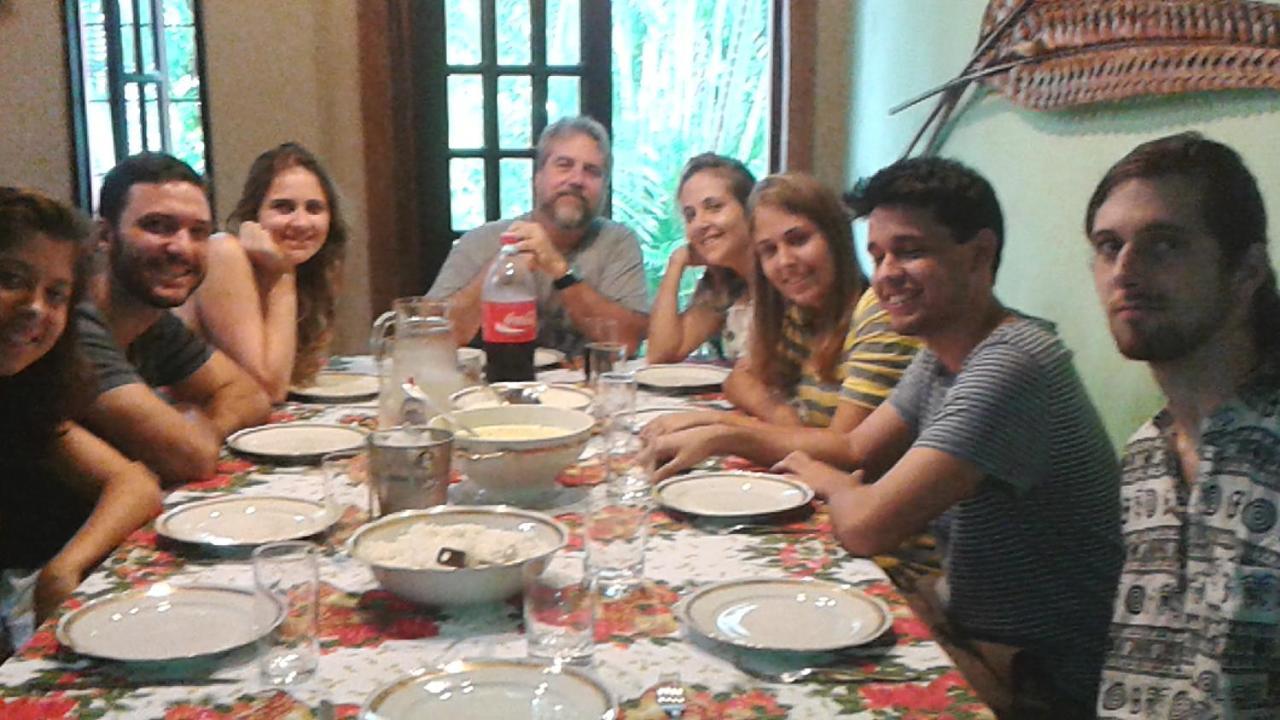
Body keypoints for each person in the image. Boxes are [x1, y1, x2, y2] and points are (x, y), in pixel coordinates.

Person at [773, 157, 1121, 716]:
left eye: (909, 251)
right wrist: (724, 436)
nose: (885, 273)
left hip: (1042, 683)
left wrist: (821, 477)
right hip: (972, 630)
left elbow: (865, 526)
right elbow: (858, 449)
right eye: (878, 255)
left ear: (980, 254)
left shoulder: (1013, 365)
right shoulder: (943, 354)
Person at [1086, 133, 1280, 718]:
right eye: (1108, 245)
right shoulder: (1146, 453)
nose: (1125, 271)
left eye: (1164, 244)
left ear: (1245, 271)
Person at [643, 173, 919, 479]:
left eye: (798, 240)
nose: (785, 261)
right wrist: (785, 420)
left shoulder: (877, 314)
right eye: (769, 250)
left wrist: (722, 428)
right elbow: (738, 380)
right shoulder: (801, 313)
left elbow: (845, 452)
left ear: (836, 237)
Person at [0, 187, 162, 656]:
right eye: (12, 279)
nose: (35, 308)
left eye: (56, 295)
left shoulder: (20, 393)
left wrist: (63, 568)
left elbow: (135, 484)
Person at [77, 152, 271, 486]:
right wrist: (186, 433)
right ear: (105, 236)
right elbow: (190, 458)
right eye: (157, 227)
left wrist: (203, 425)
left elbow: (249, 394)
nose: (182, 247)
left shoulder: (151, 322)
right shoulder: (73, 327)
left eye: (198, 232)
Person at [426, 116, 648, 356]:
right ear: (537, 177)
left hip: (584, 390)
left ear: (605, 189)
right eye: (564, 165)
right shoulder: (480, 241)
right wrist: (502, 269)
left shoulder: (617, 243)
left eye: (592, 171)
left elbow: (628, 343)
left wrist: (560, 271)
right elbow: (431, 337)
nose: (576, 180)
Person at [176, 143, 348, 401]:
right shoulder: (224, 253)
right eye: (283, 207)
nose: (301, 223)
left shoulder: (314, 270)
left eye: (314, 208)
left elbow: (295, 375)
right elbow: (269, 389)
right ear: (253, 214)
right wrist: (284, 276)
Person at [647, 153, 755, 363]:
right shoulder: (723, 286)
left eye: (714, 207)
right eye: (690, 215)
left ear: (750, 209)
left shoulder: (783, 278)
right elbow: (660, 356)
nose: (699, 224)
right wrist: (676, 264)